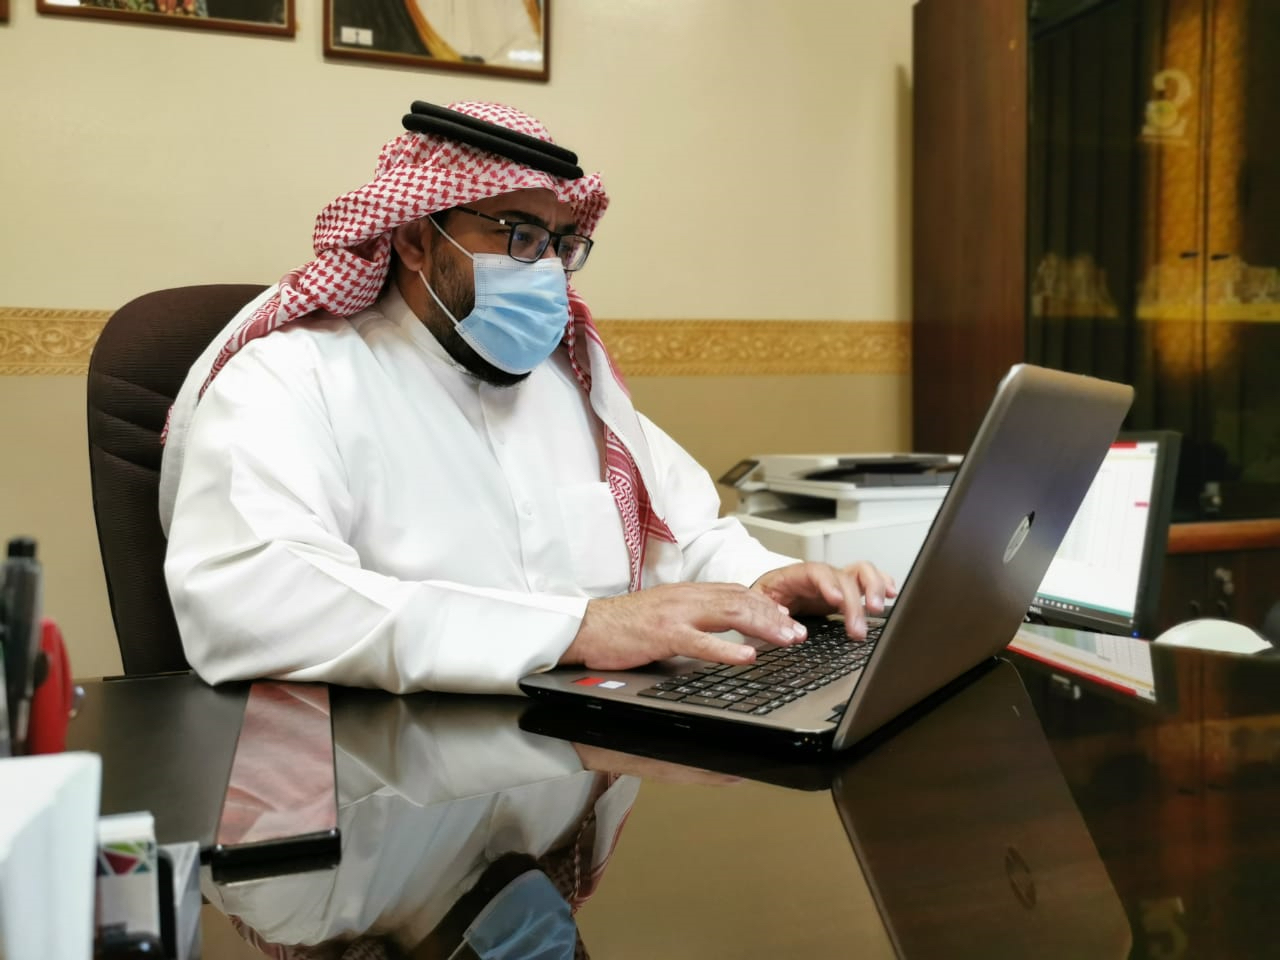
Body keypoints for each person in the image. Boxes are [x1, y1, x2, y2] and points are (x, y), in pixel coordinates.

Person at [160, 100, 894, 694]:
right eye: (518, 236)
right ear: (415, 239)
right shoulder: (293, 381)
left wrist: (762, 581)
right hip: (382, 785)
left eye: (559, 244)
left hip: (582, 763)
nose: (547, 271)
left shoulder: (573, 386)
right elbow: (256, 599)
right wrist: (581, 629)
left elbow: (686, 536)